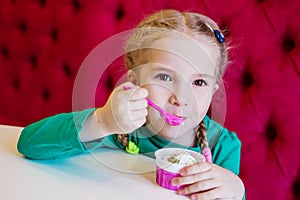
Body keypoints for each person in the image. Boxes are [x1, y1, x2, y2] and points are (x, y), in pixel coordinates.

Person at [17, 9, 245, 200]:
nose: (180, 98)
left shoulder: (222, 147)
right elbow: (29, 144)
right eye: (164, 77)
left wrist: (237, 190)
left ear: (214, 91)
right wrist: (103, 122)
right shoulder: (122, 127)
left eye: (198, 82)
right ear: (135, 82)